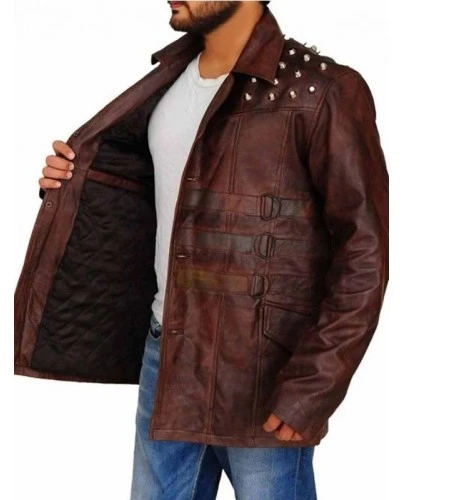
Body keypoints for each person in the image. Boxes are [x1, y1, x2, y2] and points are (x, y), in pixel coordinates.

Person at [25, 1, 389, 498]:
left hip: (261, 368)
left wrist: (314, 384)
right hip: (168, 352)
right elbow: (162, 205)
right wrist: (75, 184)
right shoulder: (169, 83)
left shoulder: (321, 90)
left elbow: (363, 253)